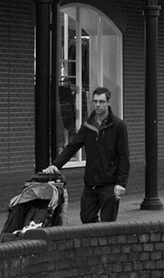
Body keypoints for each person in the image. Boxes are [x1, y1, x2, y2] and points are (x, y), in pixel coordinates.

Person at [55, 87, 130, 223]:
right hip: (91, 184)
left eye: (101, 101)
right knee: (87, 219)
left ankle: (106, 243)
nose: (97, 105)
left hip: (109, 184)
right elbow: (72, 147)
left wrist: (121, 183)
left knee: (108, 223)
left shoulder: (118, 126)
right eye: (95, 101)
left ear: (108, 102)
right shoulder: (88, 126)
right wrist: (56, 165)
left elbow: (124, 157)